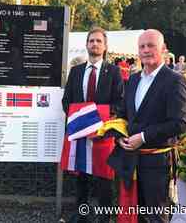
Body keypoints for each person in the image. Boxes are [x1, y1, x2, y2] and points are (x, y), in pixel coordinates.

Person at [115, 29, 186, 222]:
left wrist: (144, 137)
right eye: (142, 46)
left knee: (155, 218)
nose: (146, 50)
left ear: (163, 49)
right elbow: (124, 115)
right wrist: (120, 136)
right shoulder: (132, 80)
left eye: (151, 46)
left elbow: (180, 123)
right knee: (135, 216)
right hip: (131, 161)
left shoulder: (175, 81)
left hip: (158, 164)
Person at [62, 26, 124, 223]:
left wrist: (97, 122)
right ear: (86, 45)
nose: (94, 44)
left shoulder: (114, 72)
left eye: (98, 41)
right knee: (81, 177)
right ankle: (81, 214)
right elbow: (67, 101)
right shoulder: (76, 71)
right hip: (80, 134)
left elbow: (119, 102)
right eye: (91, 41)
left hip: (103, 134)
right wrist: (79, 123)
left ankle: (105, 216)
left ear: (105, 46)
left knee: (104, 178)